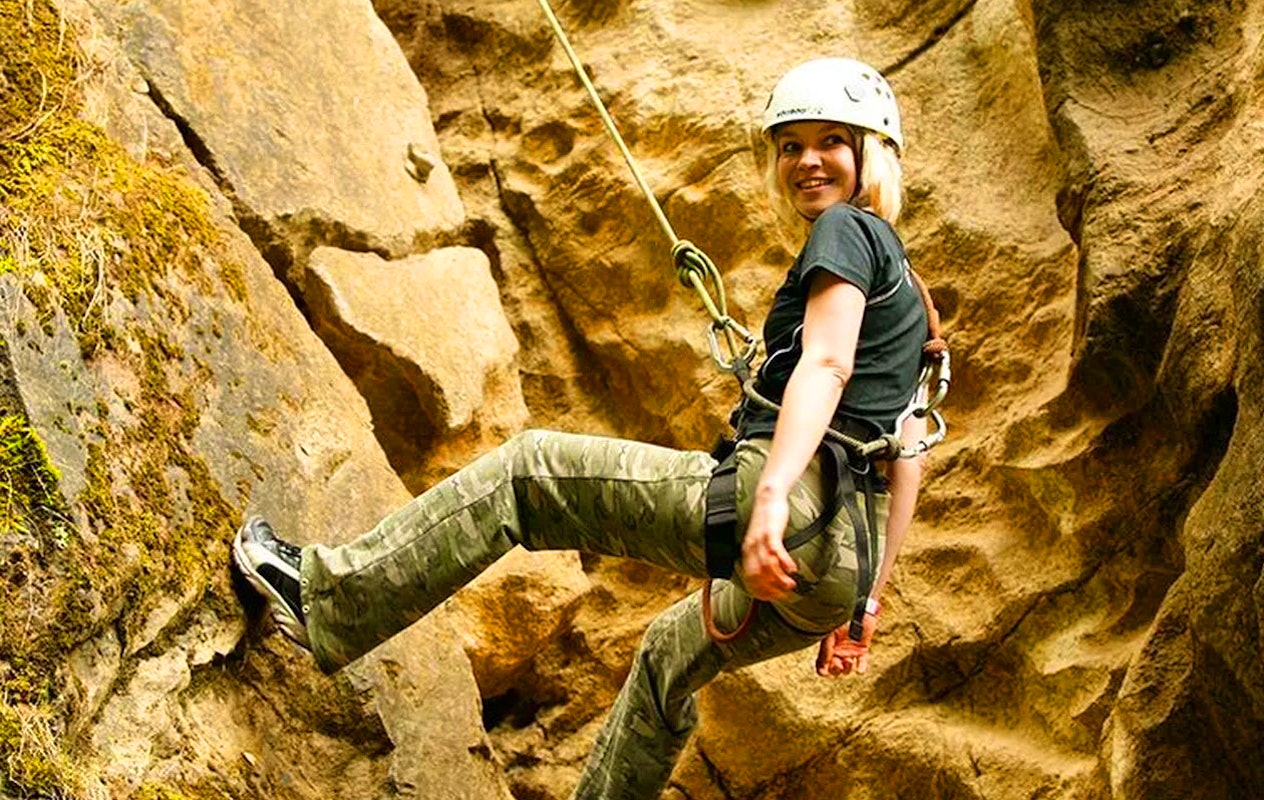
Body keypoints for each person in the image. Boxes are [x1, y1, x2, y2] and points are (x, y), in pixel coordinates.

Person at [233, 56, 931, 799]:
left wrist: (768, 503)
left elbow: (825, 365)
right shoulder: (912, 292)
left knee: (531, 474)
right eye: (790, 145)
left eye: (830, 141)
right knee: (670, 653)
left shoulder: (847, 232)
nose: (806, 161)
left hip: (786, 511)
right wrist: (863, 606)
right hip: (838, 567)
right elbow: (908, 450)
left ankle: (328, 601)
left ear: (871, 152)